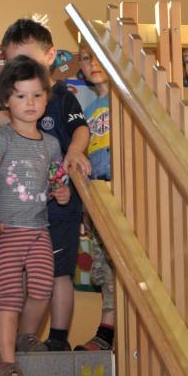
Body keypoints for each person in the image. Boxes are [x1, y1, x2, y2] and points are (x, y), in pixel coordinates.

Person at [0, 18, 91, 353]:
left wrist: (74, 151)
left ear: (50, 56)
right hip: (21, 212)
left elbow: (81, 129)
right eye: (12, 63)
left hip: (58, 205)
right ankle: (15, 333)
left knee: (58, 273)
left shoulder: (61, 98)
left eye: (26, 59)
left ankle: (57, 337)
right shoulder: (16, 109)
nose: (20, 68)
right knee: (20, 277)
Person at [0, 56, 72, 376]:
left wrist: (61, 193)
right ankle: (7, 363)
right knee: (10, 296)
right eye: (21, 96)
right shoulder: (0, 139)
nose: (30, 103)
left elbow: (56, 182)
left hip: (38, 231)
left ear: (46, 98)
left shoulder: (51, 144)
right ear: (6, 99)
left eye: (37, 95)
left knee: (42, 290)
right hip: (6, 231)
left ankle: (24, 335)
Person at [73, 45, 116, 351]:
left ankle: (116, 327)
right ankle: (108, 329)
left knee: (122, 260)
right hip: (99, 192)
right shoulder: (89, 111)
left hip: (125, 190)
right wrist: (87, 203)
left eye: (100, 54)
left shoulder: (125, 101)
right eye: (87, 58)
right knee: (103, 262)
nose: (93, 63)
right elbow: (87, 159)